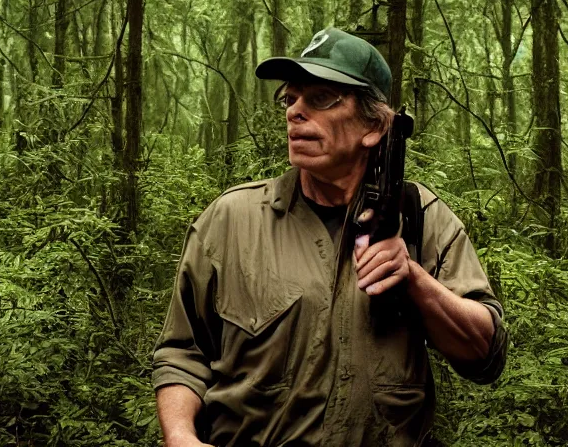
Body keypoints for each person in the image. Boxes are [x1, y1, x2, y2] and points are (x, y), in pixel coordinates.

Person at [152, 28, 507, 446]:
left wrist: (412, 278)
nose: (295, 112)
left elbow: (485, 354)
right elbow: (181, 353)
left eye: (320, 98)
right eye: (290, 98)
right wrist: (180, 437)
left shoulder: (423, 218)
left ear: (373, 126)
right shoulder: (231, 220)